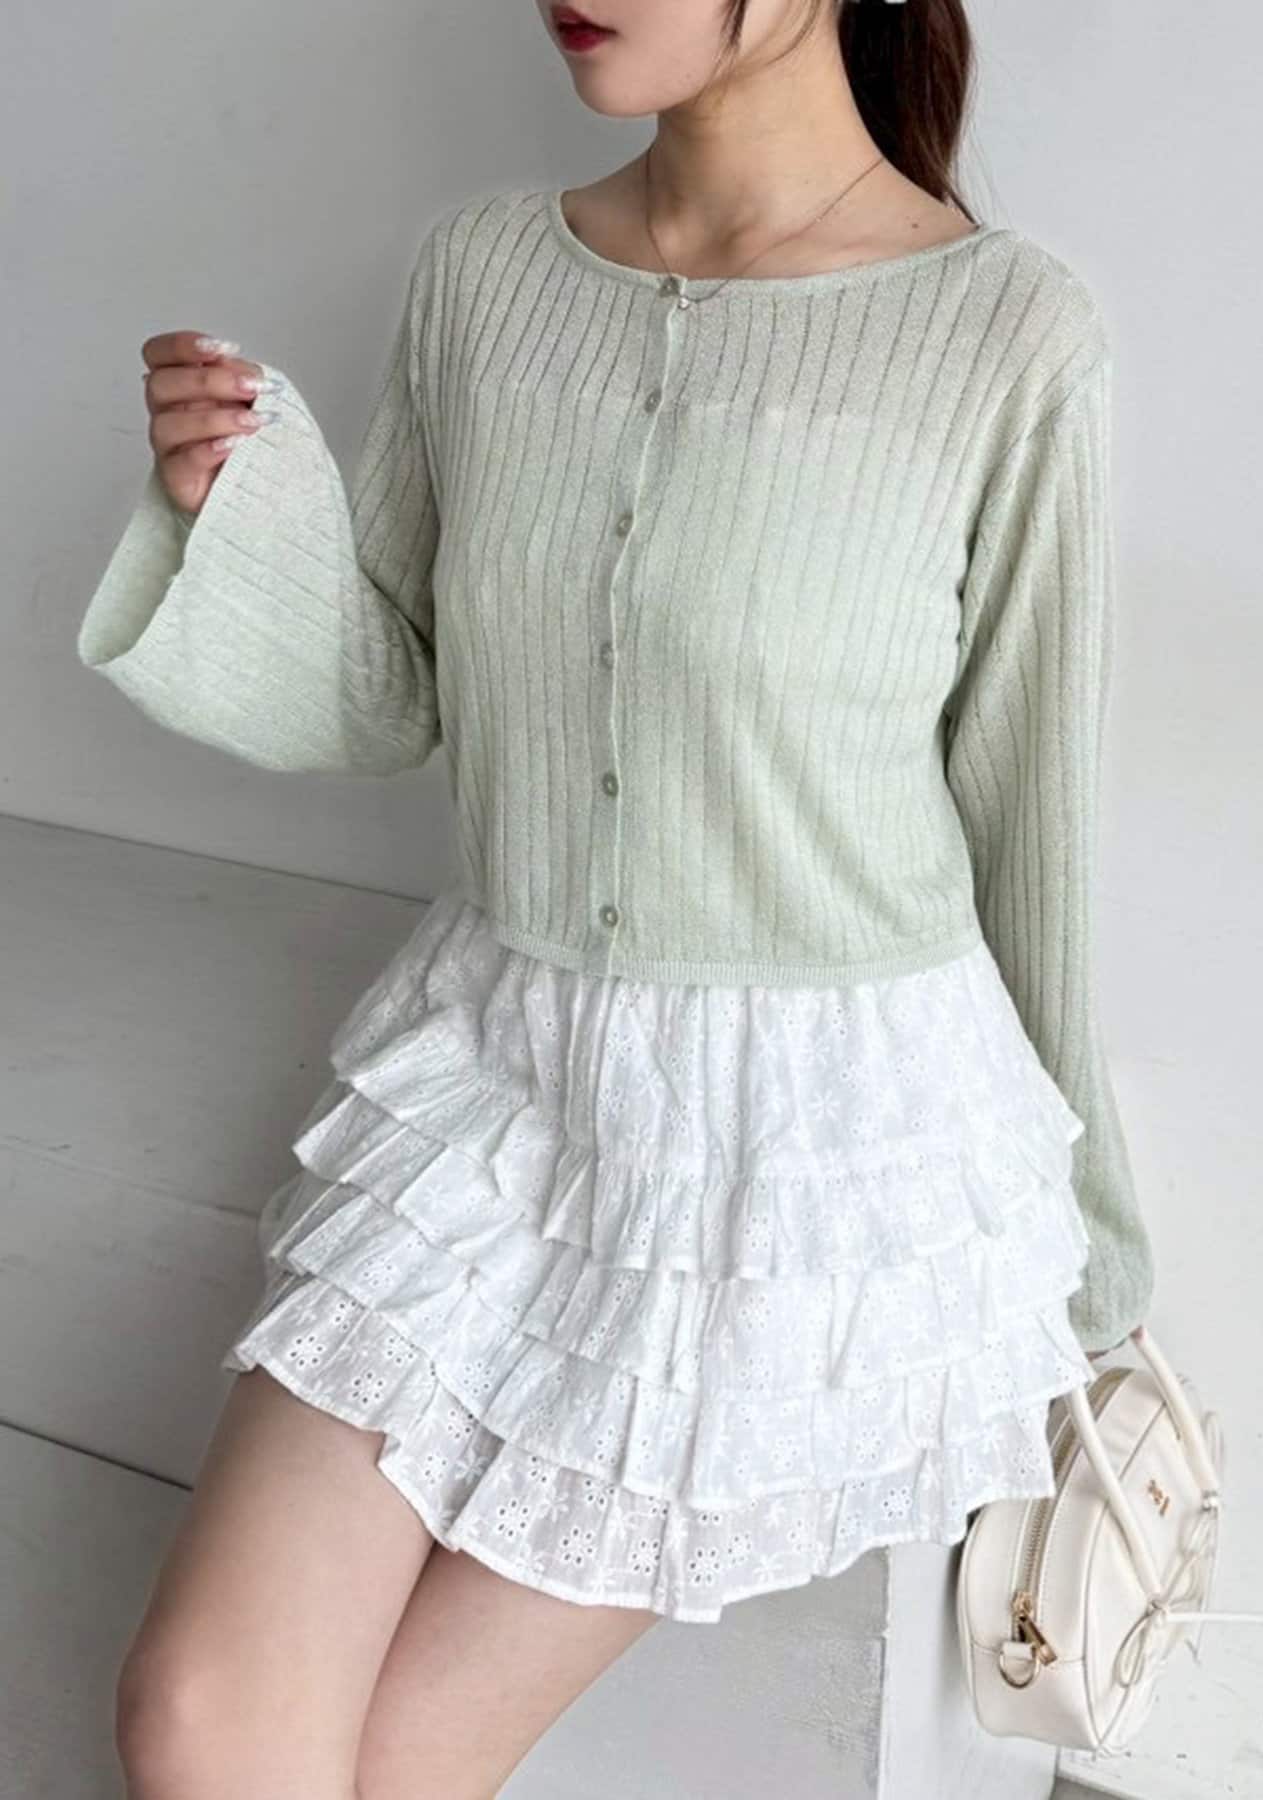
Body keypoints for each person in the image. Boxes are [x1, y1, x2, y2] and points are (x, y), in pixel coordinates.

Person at [76, 0, 1155, 1792]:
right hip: (492, 1083)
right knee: (203, 1715)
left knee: (393, 1768)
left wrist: (1091, 1266)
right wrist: (240, 515)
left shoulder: (1005, 332)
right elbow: (394, 693)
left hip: (800, 1155)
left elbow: (1029, 810)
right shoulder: (485, 276)